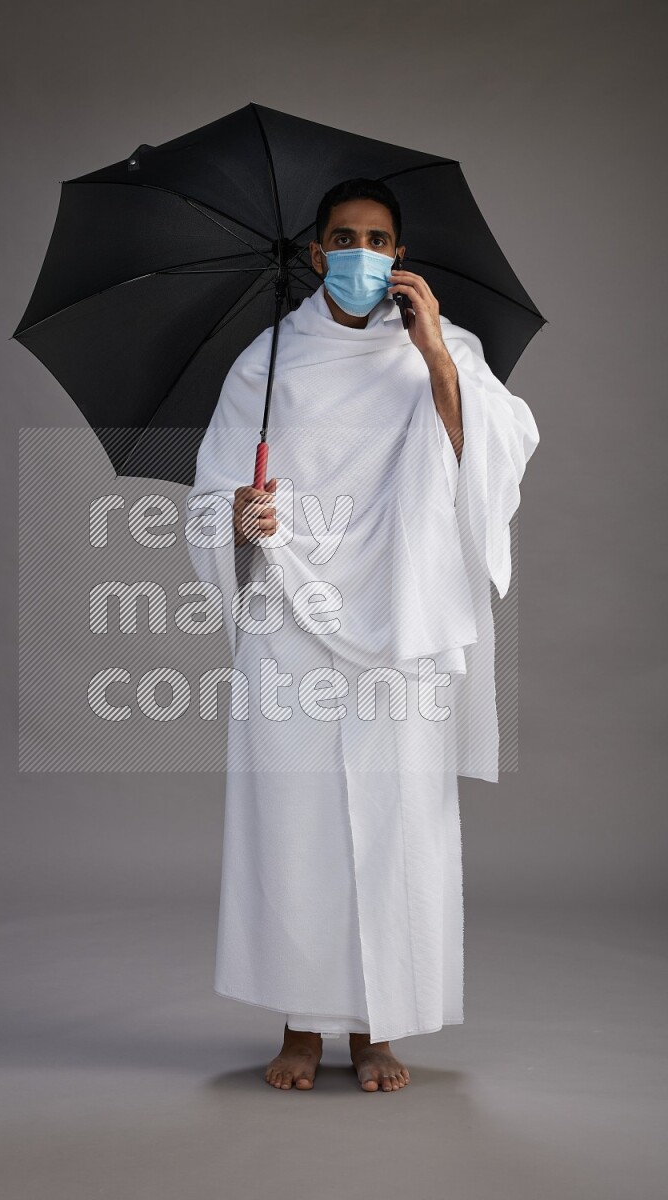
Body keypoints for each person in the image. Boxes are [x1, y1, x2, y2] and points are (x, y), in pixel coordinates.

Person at [185, 177, 539, 1092]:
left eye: (377, 239)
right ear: (314, 255)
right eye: (342, 238)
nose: (359, 254)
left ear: (400, 257)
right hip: (292, 621)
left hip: (404, 618)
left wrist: (437, 360)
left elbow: (496, 459)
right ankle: (303, 1025)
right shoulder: (267, 362)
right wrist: (241, 515)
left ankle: (378, 1029)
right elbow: (212, 490)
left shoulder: (444, 347)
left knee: (395, 824)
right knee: (295, 822)